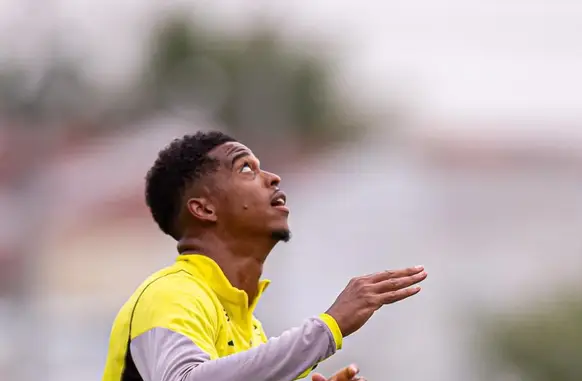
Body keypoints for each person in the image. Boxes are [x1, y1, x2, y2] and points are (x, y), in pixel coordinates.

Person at [102, 131, 427, 381]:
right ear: (204, 208)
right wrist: (329, 327)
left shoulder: (251, 331)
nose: (272, 178)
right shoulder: (171, 295)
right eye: (246, 168)